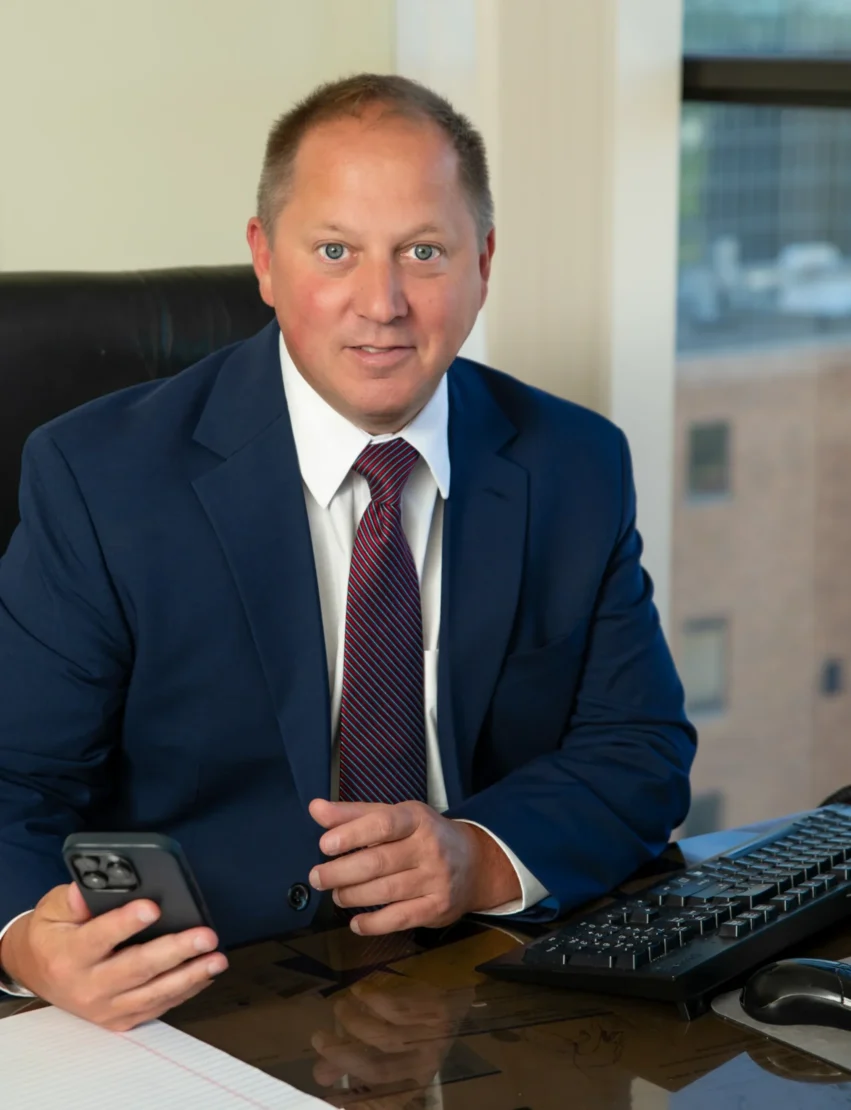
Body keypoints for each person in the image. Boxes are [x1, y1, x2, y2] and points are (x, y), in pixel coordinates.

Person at [0, 73, 695, 1029]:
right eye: (335, 251)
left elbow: (638, 750)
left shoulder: (574, 462)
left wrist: (477, 857)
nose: (382, 303)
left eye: (423, 251)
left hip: (485, 979)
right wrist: (28, 942)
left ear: (483, 261)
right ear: (264, 259)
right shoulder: (101, 476)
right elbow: (12, 778)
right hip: (202, 995)